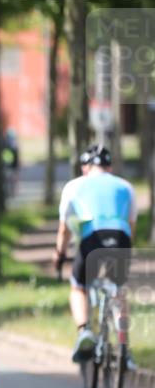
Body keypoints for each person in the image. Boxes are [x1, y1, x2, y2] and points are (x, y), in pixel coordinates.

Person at [53, 145, 136, 368]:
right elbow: (131, 225)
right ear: (109, 167)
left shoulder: (74, 186)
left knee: (78, 286)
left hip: (91, 238)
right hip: (121, 238)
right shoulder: (126, 187)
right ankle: (124, 348)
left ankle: (84, 331)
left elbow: (64, 229)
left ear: (85, 168)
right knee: (119, 290)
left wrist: (59, 255)